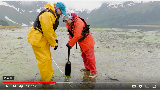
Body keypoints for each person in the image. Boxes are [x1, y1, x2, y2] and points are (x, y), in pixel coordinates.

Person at [27, 2, 67, 82]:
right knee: (44, 60)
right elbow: (47, 31)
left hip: (42, 40)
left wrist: (55, 39)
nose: (61, 13)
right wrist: (53, 43)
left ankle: (49, 75)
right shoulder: (47, 15)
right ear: (57, 9)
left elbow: (51, 30)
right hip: (37, 39)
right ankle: (46, 80)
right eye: (61, 11)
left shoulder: (52, 15)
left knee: (48, 58)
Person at [62, 12, 97, 78]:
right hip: (81, 42)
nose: (66, 22)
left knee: (90, 57)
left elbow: (77, 35)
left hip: (88, 41)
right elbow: (71, 34)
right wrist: (69, 42)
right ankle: (87, 68)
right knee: (84, 56)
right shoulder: (69, 24)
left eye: (66, 21)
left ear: (70, 18)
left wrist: (71, 44)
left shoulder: (78, 22)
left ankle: (93, 72)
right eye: (64, 21)